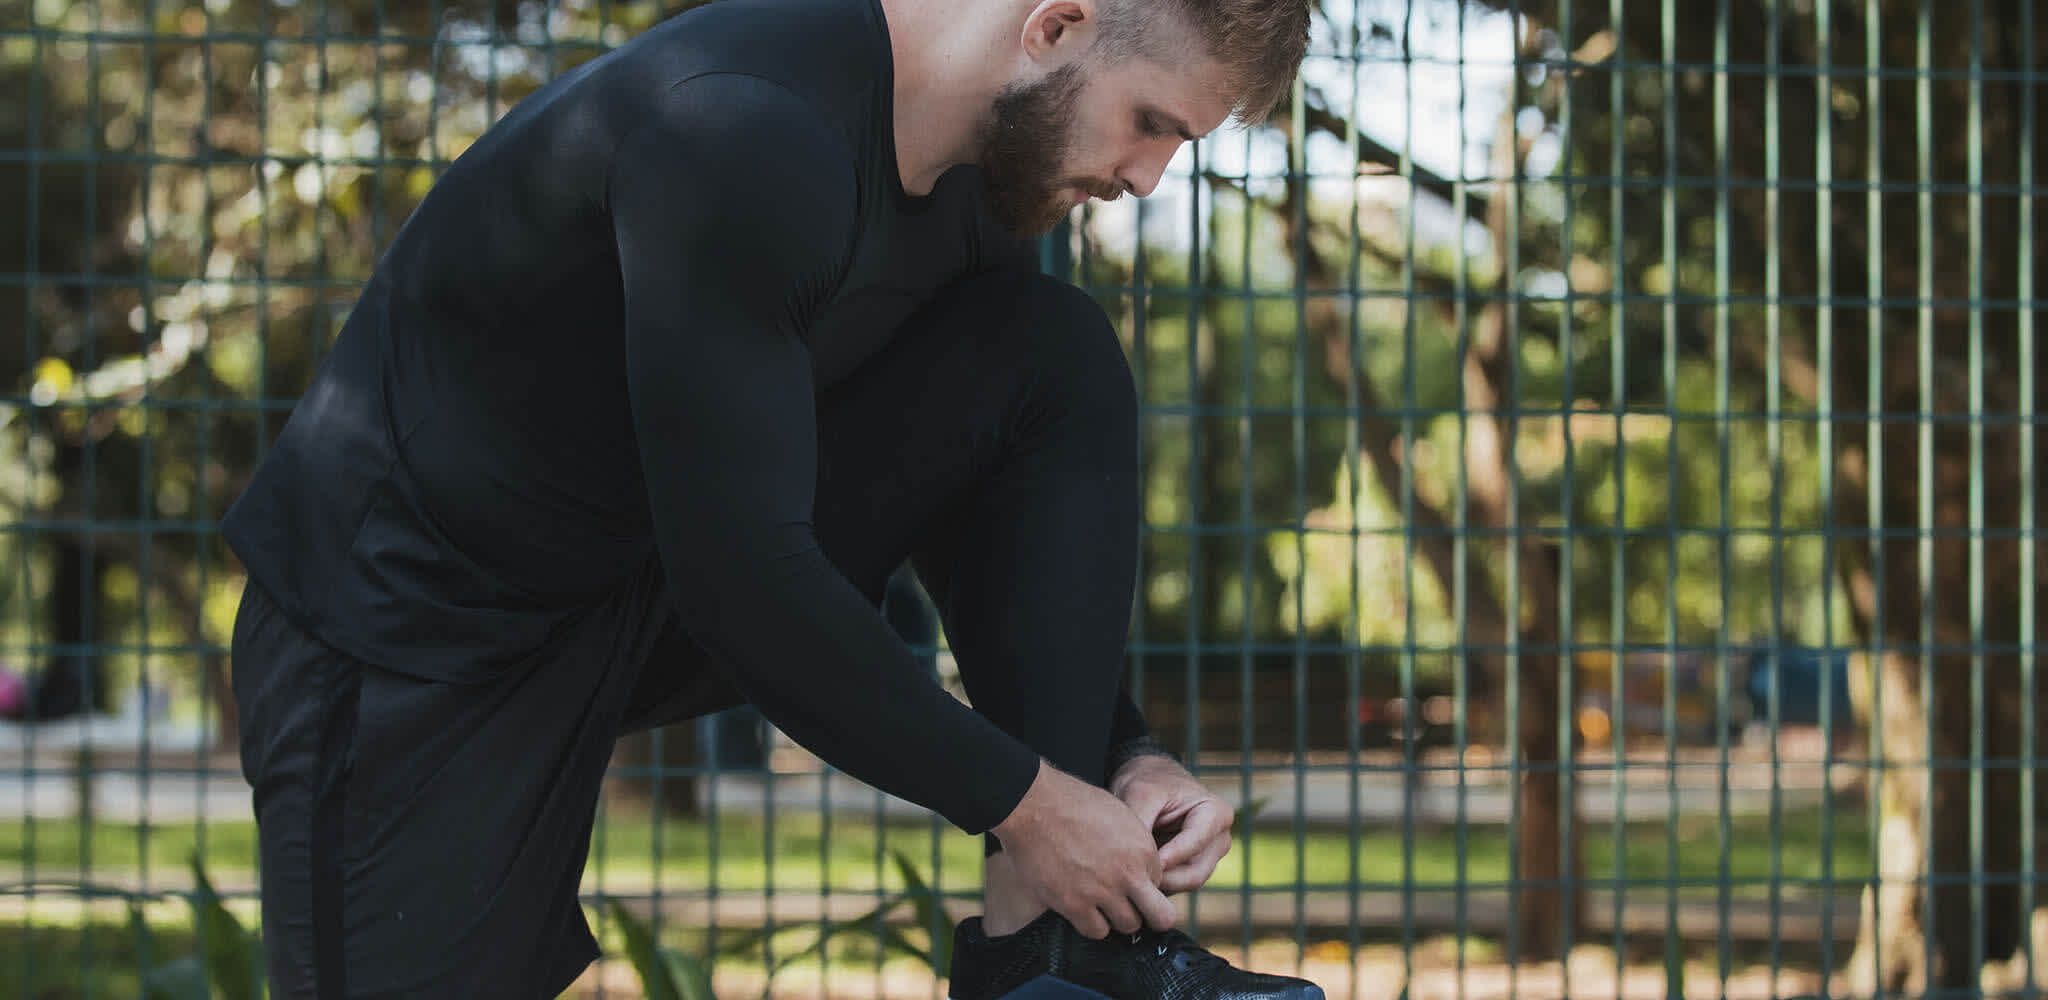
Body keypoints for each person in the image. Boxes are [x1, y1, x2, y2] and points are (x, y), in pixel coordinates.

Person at [221, 0, 1319, 995]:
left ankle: (1053, 954)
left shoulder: (988, 186)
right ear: (1055, 27)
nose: (1145, 179)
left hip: (633, 584)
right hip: (410, 628)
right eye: (1153, 124)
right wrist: (1027, 804)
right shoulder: (740, 130)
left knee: (1049, 354)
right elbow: (743, 583)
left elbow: (981, 498)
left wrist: (1120, 761)